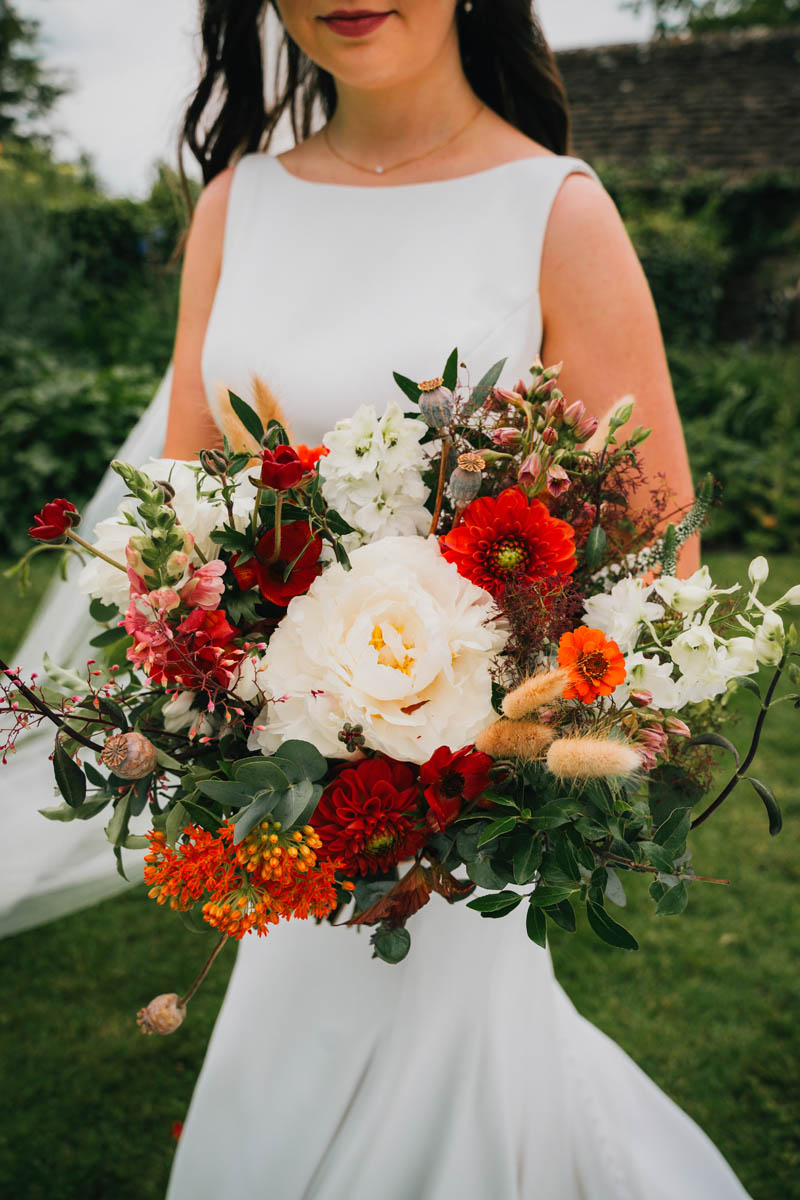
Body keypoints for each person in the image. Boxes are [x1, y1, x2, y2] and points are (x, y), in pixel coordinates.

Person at [158, 3, 750, 1198]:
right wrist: (209, 711)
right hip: (282, 807)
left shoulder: (553, 209)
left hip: (460, 815)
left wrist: (500, 768)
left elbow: (656, 559)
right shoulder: (238, 204)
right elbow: (180, 513)